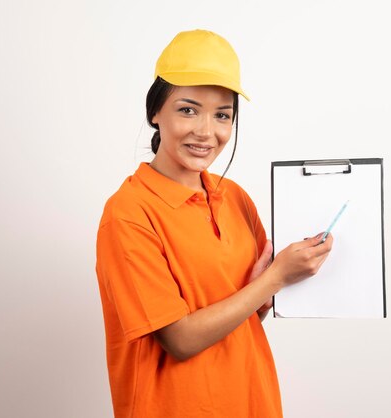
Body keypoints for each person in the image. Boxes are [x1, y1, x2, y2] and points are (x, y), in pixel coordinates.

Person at [95, 29, 333, 418]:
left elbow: (245, 314)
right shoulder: (128, 213)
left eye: (222, 115)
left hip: (251, 402)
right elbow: (181, 339)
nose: (207, 132)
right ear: (155, 112)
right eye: (188, 109)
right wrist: (273, 281)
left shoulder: (234, 197)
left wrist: (267, 292)